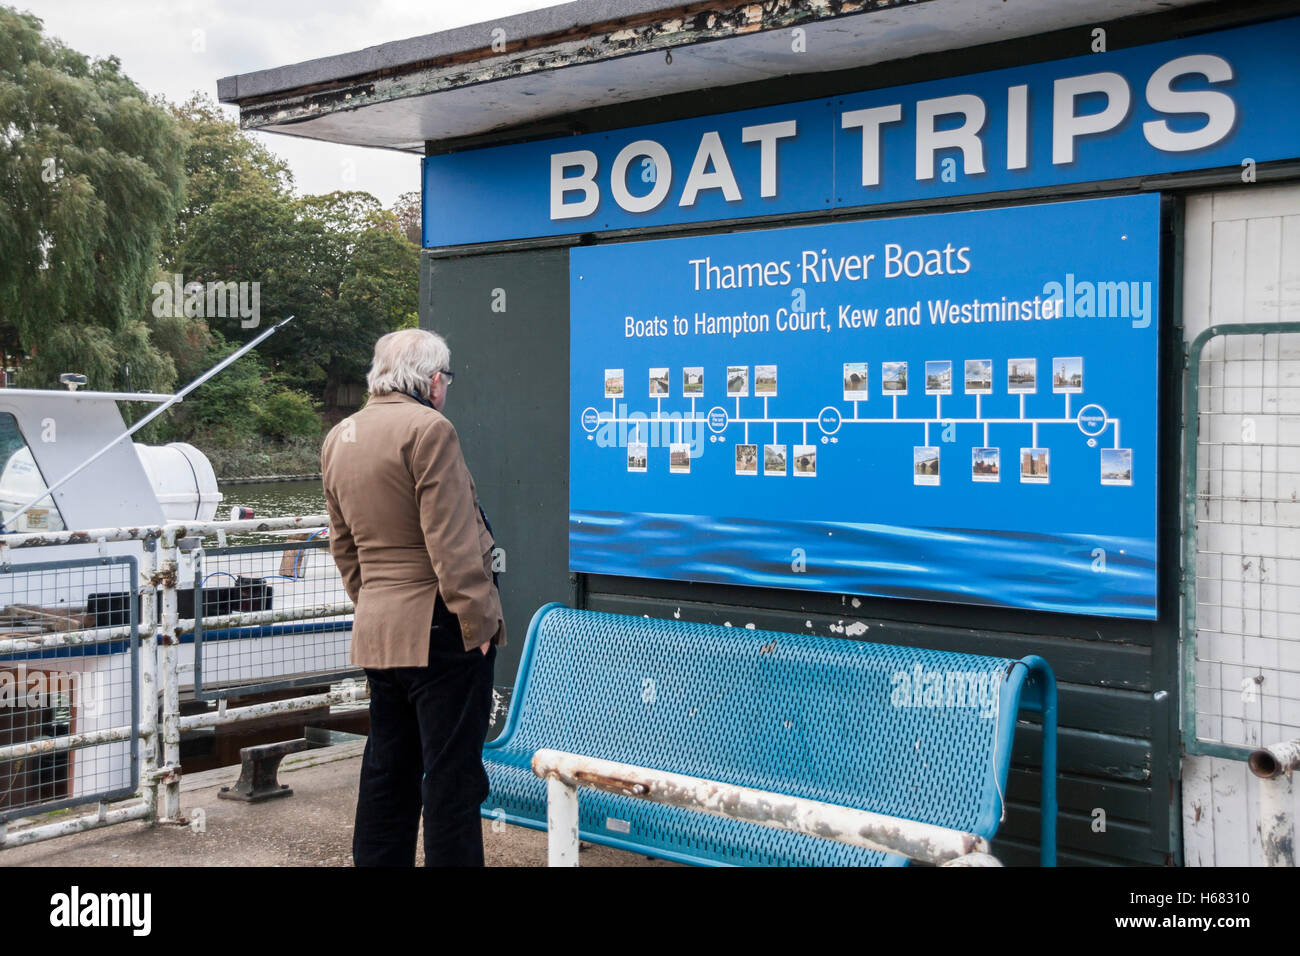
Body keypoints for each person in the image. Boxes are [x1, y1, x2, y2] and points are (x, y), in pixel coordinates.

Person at [320, 328, 505, 867]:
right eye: (445, 378)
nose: (445, 388)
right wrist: (479, 625)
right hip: (442, 630)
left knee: (387, 772)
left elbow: (343, 544)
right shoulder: (430, 430)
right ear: (431, 380)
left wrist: (373, 601)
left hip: (380, 626)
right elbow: (453, 543)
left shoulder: (340, 437)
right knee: (452, 779)